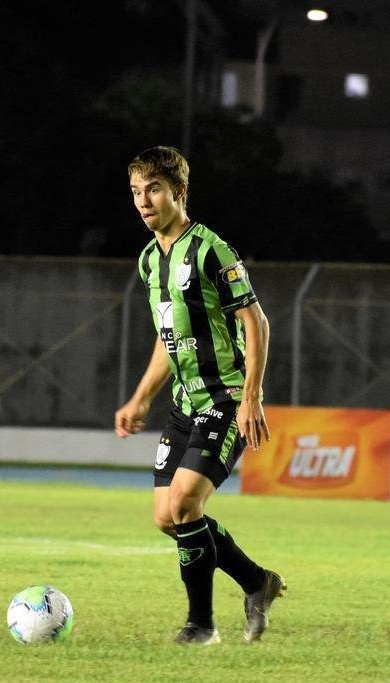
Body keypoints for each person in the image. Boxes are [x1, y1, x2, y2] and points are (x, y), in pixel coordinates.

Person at [115, 145, 285, 646]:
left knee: (186, 503)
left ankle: (201, 626)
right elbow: (170, 337)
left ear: (178, 193)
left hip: (225, 399)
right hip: (185, 405)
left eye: (154, 190)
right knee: (167, 518)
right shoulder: (150, 261)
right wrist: (140, 397)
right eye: (136, 192)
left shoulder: (212, 250)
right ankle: (257, 582)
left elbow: (256, 322)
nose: (143, 201)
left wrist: (250, 396)